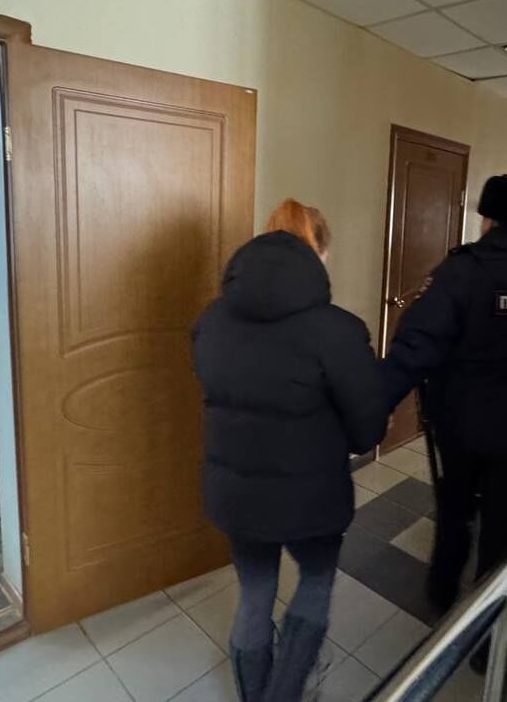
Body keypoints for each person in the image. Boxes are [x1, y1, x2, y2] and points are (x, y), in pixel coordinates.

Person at [192, 199, 388, 702]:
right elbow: (367, 429)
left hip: (236, 495)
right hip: (312, 498)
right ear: (318, 252)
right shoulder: (339, 329)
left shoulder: (211, 320)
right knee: (315, 582)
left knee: (254, 595)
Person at [382, 174, 507, 622]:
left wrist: (376, 402)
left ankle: (441, 593)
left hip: (460, 424)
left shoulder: (462, 269)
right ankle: (487, 617)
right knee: (501, 520)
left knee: (454, 509)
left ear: (487, 217)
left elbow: (416, 344)